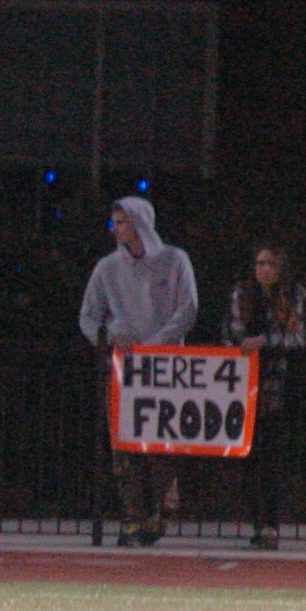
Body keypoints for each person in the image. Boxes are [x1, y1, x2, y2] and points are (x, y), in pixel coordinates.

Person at [80, 195, 198, 545]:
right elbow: (88, 316)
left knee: (162, 441)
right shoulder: (107, 268)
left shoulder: (175, 260)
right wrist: (109, 339)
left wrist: (155, 345)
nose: (115, 229)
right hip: (124, 369)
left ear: (140, 223)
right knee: (123, 443)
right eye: (114, 222)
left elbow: (188, 309)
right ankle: (131, 517)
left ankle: (160, 512)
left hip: (166, 368)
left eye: (122, 222)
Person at [223, 244, 306, 549]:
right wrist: (245, 345)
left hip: (280, 385)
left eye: (270, 264)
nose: (264, 269)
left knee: (273, 458)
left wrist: (266, 341)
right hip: (245, 386)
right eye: (260, 263)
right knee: (248, 459)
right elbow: (231, 334)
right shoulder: (242, 293)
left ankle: (271, 524)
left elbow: (300, 336)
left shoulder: (294, 295)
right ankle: (257, 523)